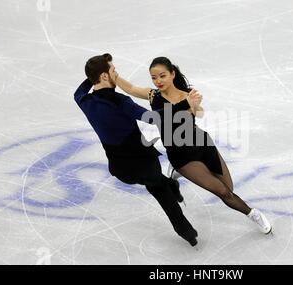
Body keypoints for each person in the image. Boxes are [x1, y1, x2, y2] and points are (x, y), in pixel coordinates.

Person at [109, 57, 273, 235]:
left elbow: (199, 113)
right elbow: (133, 89)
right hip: (182, 155)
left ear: (172, 74)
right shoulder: (153, 96)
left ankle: (179, 171)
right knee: (224, 193)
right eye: (154, 78)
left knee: (229, 189)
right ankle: (253, 214)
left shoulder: (188, 95)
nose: (158, 81)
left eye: (162, 76)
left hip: (202, 144)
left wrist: (196, 106)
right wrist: (114, 76)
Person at [74, 53, 202, 246]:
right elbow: (153, 118)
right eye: (113, 71)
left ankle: (172, 187)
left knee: (157, 183)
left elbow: (81, 89)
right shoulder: (120, 102)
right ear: (104, 76)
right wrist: (185, 104)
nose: (116, 74)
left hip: (119, 169)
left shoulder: (83, 99)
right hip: (143, 163)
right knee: (160, 191)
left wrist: (94, 74)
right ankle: (187, 232)